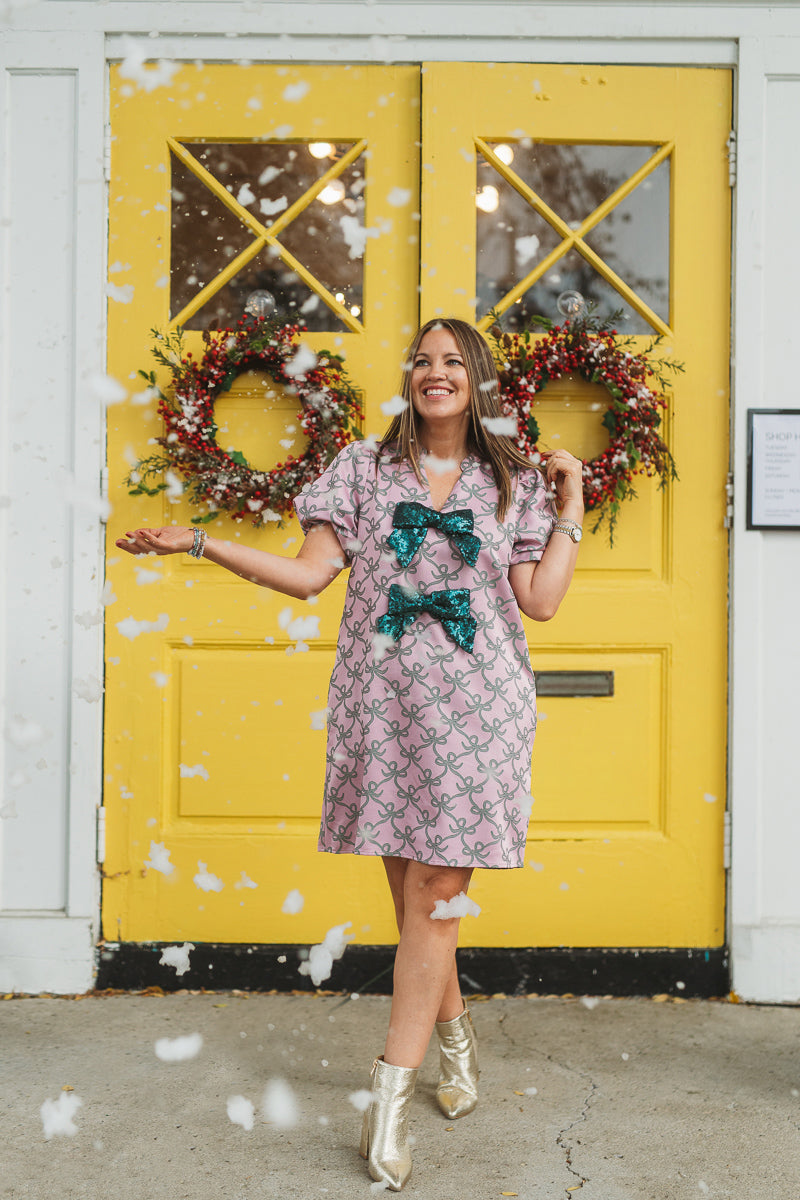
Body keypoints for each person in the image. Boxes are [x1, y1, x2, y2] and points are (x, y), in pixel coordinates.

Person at [116, 317, 584, 1191]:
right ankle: (455, 1041)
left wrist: (571, 508)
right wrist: (201, 542)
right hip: (385, 704)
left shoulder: (511, 480)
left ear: (478, 381)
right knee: (416, 899)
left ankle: (390, 1098)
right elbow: (307, 575)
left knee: (438, 897)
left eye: (453, 362)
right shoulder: (360, 471)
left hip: (480, 709)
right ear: (408, 377)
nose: (435, 372)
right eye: (423, 360)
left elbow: (542, 600)